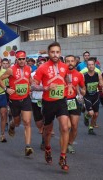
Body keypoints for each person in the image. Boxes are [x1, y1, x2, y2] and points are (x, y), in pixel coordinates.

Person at [33, 42, 73, 171]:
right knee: (48, 130)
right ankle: (48, 148)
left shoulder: (64, 66)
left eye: (57, 52)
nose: (55, 54)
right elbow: (33, 85)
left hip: (61, 101)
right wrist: (46, 87)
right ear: (48, 53)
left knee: (65, 127)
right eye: (52, 52)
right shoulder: (42, 68)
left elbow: (68, 77)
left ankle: (63, 157)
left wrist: (70, 85)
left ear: (60, 53)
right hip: (48, 102)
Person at [0, 50, 34, 157]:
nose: (22, 61)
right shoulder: (11, 70)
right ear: (16, 59)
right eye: (20, 59)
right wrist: (6, 89)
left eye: (23, 59)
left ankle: (28, 146)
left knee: (27, 121)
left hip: (26, 98)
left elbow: (29, 79)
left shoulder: (28, 68)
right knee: (17, 122)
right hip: (14, 100)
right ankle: (12, 125)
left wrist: (33, 84)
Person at [65, 55, 86, 153]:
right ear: (64, 62)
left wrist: (83, 92)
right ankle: (64, 142)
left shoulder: (79, 74)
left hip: (73, 101)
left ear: (75, 62)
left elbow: (83, 87)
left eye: (72, 61)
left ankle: (69, 144)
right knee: (67, 126)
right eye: (68, 61)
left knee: (74, 126)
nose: (70, 63)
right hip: (62, 101)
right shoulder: (61, 73)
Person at [83, 58, 103, 135]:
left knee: (96, 114)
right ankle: (86, 116)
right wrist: (81, 93)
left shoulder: (98, 74)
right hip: (87, 96)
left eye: (92, 64)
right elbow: (82, 87)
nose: (91, 66)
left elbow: (102, 83)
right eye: (89, 65)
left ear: (94, 65)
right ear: (87, 66)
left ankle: (91, 128)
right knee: (91, 113)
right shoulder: (84, 76)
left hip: (95, 96)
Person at [30, 57, 47, 150]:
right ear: (37, 64)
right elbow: (31, 87)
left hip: (46, 100)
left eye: (44, 63)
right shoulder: (33, 74)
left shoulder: (49, 74)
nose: (42, 65)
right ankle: (42, 130)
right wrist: (44, 88)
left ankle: (44, 142)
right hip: (36, 100)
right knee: (39, 123)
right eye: (40, 63)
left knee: (46, 122)